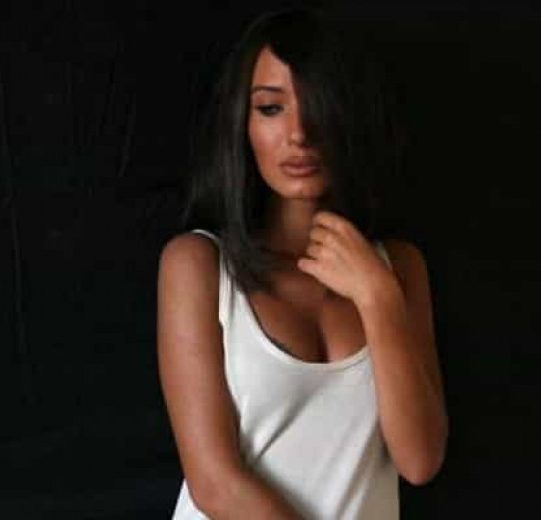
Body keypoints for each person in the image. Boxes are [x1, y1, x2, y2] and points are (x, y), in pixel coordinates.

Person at [156, 8, 448, 519]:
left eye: (320, 105)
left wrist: (378, 298)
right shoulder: (198, 266)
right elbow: (215, 484)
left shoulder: (399, 269)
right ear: (243, 123)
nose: (299, 133)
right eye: (271, 108)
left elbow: (419, 461)